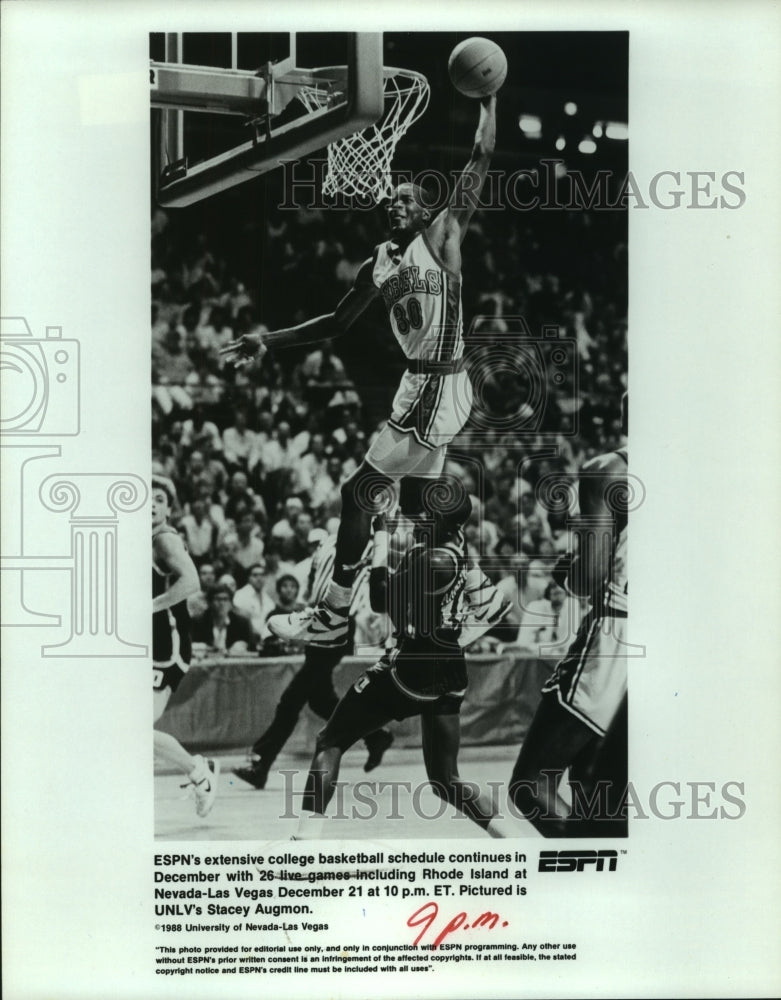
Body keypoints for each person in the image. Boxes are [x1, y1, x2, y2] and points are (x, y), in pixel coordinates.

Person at [222, 96, 498, 645]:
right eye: (391, 200)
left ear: (424, 211)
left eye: (406, 200)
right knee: (422, 503)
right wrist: (268, 341)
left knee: (357, 494)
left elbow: (481, 157)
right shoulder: (380, 261)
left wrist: (489, 103)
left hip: (439, 379)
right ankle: (477, 584)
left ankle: (331, 613)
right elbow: (336, 322)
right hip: (418, 382)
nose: (395, 205)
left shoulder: (442, 236)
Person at [292, 475, 513, 840]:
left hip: (411, 669)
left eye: (418, 515)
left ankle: (302, 845)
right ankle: (514, 841)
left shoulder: (428, 557)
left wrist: (380, 538)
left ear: (434, 517)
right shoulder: (458, 550)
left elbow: (381, 600)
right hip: (450, 671)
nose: (411, 521)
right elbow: (494, 608)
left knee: (330, 741)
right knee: (446, 779)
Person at [509, 401, 629, 837]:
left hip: (616, 636)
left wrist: (567, 570)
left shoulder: (609, 469)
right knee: (592, 788)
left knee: (530, 786)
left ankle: (590, 875)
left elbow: (588, 578)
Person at [233, 527, 394, 790]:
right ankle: (375, 735)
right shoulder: (324, 550)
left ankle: (260, 763)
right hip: (321, 622)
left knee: (290, 701)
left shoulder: (361, 542)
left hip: (337, 623)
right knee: (321, 700)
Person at [152, 476, 220, 818]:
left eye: (159, 499)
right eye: (144, 497)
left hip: (168, 646)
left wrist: (150, 606)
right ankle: (199, 769)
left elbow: (191, 580)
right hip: (148, 645)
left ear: (169, 507)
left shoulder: (163, 539)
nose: (150, 504)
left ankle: (200, 773)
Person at [191, 583, 253, 656]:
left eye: (225, 599)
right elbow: (189, 645)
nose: (222, 603)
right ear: (209, 602)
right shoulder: (197, 622)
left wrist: (242, 646)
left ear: (231, 603)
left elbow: (251, 647)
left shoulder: (241, 623)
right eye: (218, 599)